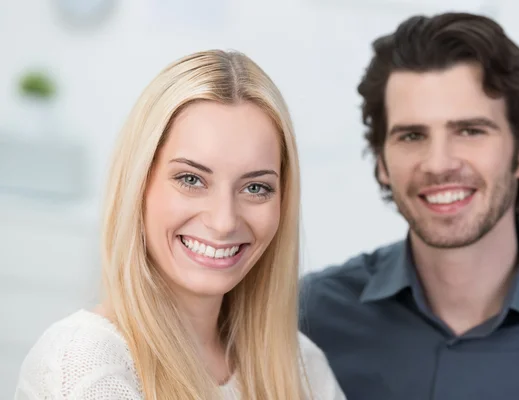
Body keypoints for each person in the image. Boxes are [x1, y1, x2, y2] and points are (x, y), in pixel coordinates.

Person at [299, 11, 519, 400]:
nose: (439, 163)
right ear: (381, 164)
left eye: (470, 131)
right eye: (411, 136)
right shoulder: (307, 321)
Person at [15, 50, 345, 400]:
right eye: (191, 179)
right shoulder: (86, 362)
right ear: (140, 183)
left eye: (255, 187)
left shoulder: (302, 366)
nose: (223, 222)